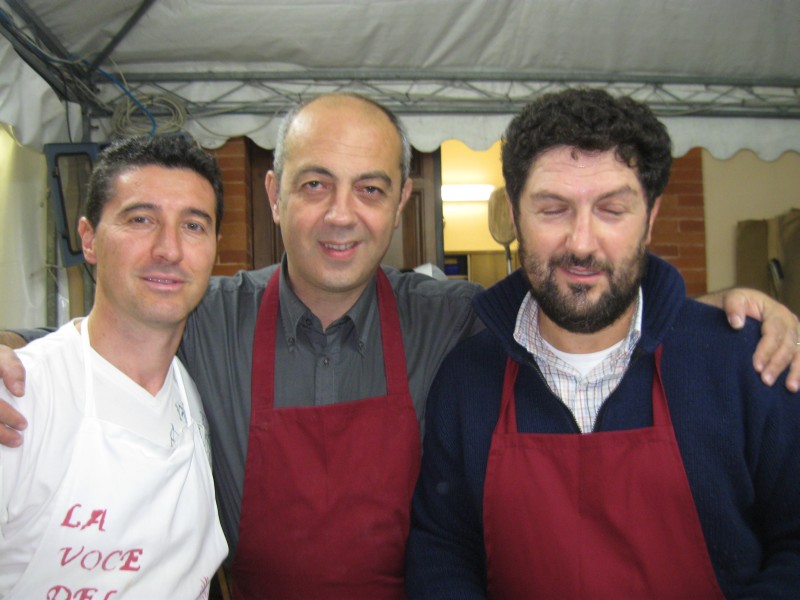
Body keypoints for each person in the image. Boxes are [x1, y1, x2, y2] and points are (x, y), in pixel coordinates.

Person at [0, 93, 798, 599]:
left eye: (371, 189)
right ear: (275, 195)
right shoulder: (210, 316)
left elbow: (583, 295)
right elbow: (114, 326)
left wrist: (724, 308)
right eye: (315, 184)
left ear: (402, 201)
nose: (342, 215)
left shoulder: (455, 320)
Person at [405, 88, 800, 599]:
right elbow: (442, 550)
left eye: (612, 210)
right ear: (515, 215)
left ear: (652, 217)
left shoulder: (747, 363)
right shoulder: (467, 378)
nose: (582, 243)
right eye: (553, 209)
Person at [0, 136, 228, 598]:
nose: (169, 249)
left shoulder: (193, 388)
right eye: (141, 219)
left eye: (193, 226)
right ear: (88, 239)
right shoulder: (21, 396)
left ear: (214, 249)